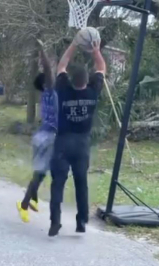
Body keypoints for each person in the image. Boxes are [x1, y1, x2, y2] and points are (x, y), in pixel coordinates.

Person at [48, 34, 106, 237]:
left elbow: (61, 65)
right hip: (82, 145)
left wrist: (73, 44)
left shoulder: (63, 90)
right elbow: (101, 68)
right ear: (87, 81)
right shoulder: (92, 92)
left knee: (58, 183)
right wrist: (96, 50)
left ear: (71, 80)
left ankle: (55, 221)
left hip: (63, 142)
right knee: (81, 183)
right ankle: (81, 222)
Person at [17, 40, 58, 223]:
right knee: (41, 172)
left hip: (45, 136)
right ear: (46, 82)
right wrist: (42, 50)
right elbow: (49, 70)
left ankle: (31, 199)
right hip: (47, 137)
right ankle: (24, 204)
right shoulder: (49, 91)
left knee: (41, 172)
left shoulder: (51, 94)